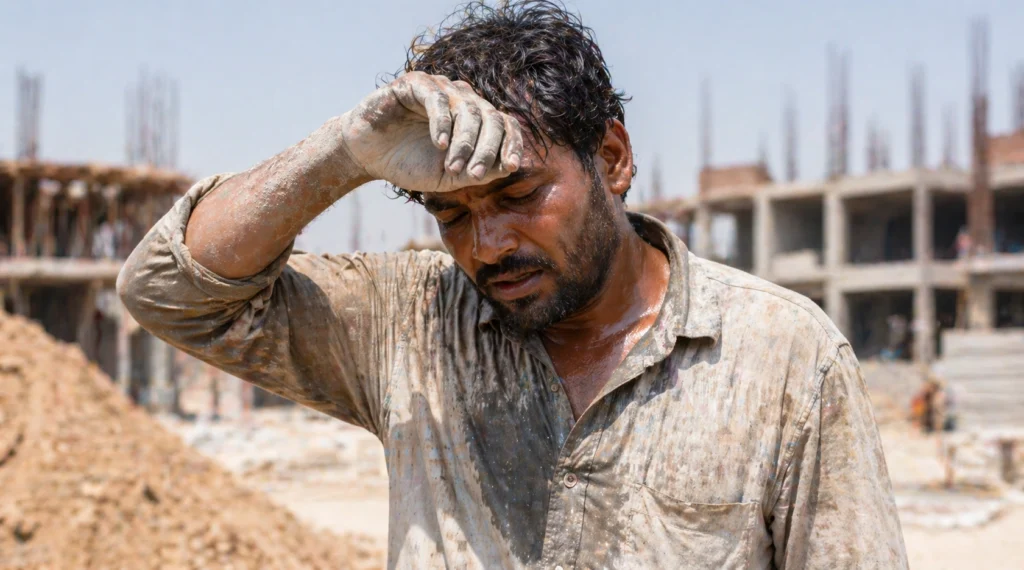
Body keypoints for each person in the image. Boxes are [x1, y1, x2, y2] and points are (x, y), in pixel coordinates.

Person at [117, 2, 906, 568]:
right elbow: (170, 291)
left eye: (519, 195)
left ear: (614, 159)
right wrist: (343, 154)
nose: (489, 244)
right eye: (450, 215)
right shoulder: (407, 321)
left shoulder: (781, 357)